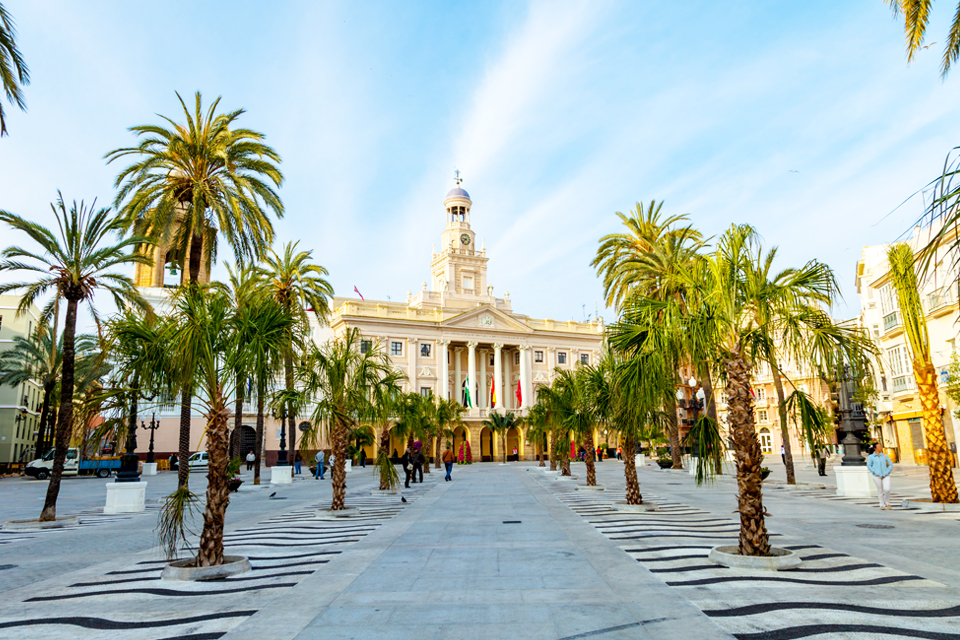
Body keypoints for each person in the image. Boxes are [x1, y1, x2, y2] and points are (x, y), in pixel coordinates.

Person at [867, 443, 894, 509]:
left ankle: (887, 502)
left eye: (881, 446)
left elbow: (890, 464)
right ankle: (882, 504)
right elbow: (869, 465)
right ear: (875, 448)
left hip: (886, 475)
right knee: (880, 490)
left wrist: (887, 471)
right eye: (879, 447)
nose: (880, 448)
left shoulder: (885, 455)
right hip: (877, 476)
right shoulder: (871, 457)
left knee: (887, 489)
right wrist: (874, 471)